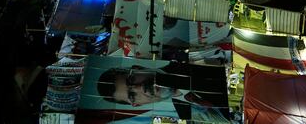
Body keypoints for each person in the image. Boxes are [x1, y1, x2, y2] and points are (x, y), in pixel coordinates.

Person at [96, 65, 228, 121]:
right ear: (137, 104)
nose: (140, 87)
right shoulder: (185, 115)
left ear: (137, 68)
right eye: (132, 95)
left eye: (132, 80)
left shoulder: (191, 62)